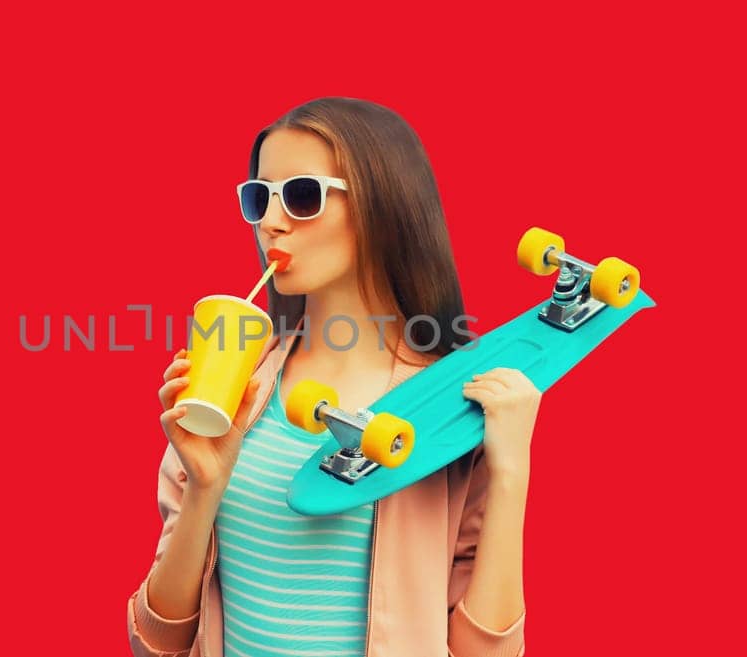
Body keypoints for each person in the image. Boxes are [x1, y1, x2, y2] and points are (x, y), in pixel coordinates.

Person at [127, 97, 538, 657]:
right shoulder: (230, 389)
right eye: (259, 197)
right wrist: (204, 489)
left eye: (301, 196)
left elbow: (485, 654)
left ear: (382, 205)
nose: (271, 221)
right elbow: (158, 643)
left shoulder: (451, 406)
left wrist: (512, 472)